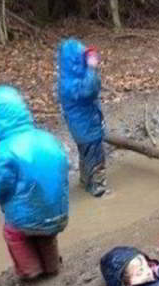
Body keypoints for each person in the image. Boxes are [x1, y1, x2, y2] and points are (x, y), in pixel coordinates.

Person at [0, 85, 69, 280]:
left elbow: (1, 185)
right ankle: (51, 266)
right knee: (46, 234)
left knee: (14, 234)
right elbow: (64, 166)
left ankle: (30, 271)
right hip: (58, 213)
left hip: (25, 218)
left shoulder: (3, 150)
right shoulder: (47, 138)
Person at [58, 38, 108, 197]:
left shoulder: (71, 76)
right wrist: (92, 68)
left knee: (86, 154)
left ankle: (85, 182)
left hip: (84, 125)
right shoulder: (70, 83)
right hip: (86, 127)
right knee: (95, 158)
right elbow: (90, 90)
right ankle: (98, 189)